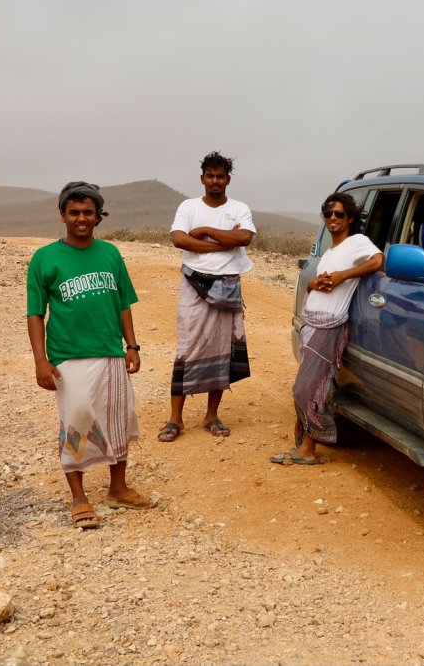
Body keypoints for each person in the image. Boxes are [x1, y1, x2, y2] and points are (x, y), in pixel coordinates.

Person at [27, 181, 153, 529]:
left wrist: (132, 345)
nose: (81, 218)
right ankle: (79, 497)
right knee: (78, 419)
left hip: (111, 352)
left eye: (88, 212)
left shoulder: (111, 253)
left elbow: (123, 303)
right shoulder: (45, 258)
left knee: (119, 418)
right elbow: (35, 313)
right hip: (68, 355)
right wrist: (40, 360)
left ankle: (118, 488)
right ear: (63, 215)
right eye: (74, 212)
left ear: (98, 216)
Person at [272, 192, 383, 465]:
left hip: (330, 326)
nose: (333, 218)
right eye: (328, 214)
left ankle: (310, 447)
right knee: (310, 386)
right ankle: (305, 441)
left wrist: (343, 276)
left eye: (339, 214)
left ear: (351, 218)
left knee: (307, 388)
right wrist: (313, 284)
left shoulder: (357, 242)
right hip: (311, 323)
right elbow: (320, 282)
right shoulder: (329, 252)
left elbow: (378, 260)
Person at [158, 151, 256, 442]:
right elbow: (179, 239)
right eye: (210, 175)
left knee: (221, 348)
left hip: (227, 284)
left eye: (220, 176)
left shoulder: (239, 208)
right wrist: (222, 244)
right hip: (193, 283)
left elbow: (244, 238)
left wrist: (203, 232)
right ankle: (175, 418)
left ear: (228, 179)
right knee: (187, 347)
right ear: (202, 178)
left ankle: (211, 415)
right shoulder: (188, 206)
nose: (215, 180)